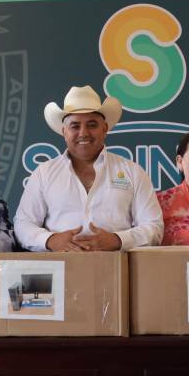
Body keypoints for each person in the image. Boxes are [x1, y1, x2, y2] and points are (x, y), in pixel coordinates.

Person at [14, 85, 163, 252]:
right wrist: (51, 240)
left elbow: (154, 227)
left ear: (104, 129)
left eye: (92, 125)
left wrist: (117, 240)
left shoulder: (133, 172)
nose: (83, 133)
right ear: (64, 132)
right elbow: (23, 224)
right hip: (59, 265)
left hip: (116, 266)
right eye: (75, 126)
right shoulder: (43, 173)